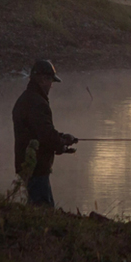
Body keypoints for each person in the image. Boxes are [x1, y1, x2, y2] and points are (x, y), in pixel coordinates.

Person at [12, 59, 78, 206]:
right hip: (36, 166)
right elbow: (46, 136)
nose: (51, 86)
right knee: (43, 208)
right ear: (43, 79)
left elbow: (39, 132)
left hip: (28, 163)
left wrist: (62, 139)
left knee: (34, 207)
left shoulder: (26, 99)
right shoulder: (37, 103)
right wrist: (61, 144)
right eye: (50, 81)